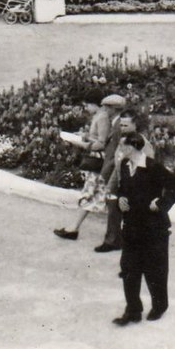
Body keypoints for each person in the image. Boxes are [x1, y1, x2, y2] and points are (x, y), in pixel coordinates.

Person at [112, 132, 175, 326]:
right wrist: (121, 199)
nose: (120, 149)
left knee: (155, 270)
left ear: (133, 147)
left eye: (122, 146)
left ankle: (160, 306)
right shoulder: (125, 165)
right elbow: (122, 188)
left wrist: (161, 203)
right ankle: (133, 310)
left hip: (153, 229)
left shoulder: (152, 167)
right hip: (132, 226)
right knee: (129, 269)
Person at [54, 93, 126, 243]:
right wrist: (86, 137)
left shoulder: (104, 119)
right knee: (93, 194)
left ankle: (74, 229)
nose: (105, 109)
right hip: (103, 162)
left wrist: (81, 143)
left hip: (100, 162)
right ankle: (74, 228)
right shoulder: (107, 119)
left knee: (90, 193)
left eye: (87, 104)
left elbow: (102, 143)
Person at [96, 108, 154, 253]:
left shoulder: (143, 144)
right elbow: (118, 165)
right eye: (121, 125)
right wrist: (111, 186)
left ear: (135, 125)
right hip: (122, 182)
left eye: (126, 125)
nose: (122, 128)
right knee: (112, 205)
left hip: (137, 185)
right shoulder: (123, 142)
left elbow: (149, 168)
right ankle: (113, 240)